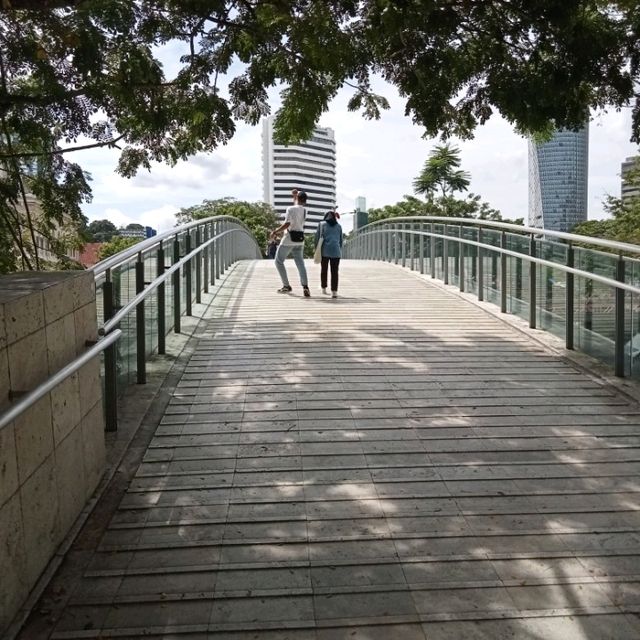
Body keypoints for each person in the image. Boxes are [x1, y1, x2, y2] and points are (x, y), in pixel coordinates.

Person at [271, 190, 310, 296]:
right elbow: (297, 209)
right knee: (300, 264)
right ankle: (305, 286)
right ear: (305, 201)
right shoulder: (305, 210)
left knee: (278, 261)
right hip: (300, 240)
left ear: (297, 198)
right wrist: (295, 196)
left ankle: (286, 286)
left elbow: (287, 223)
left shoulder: (290, 209)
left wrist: (275, 231)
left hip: (289, 239)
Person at [315, 209, 343, 298]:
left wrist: (317, 249)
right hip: (336, 251)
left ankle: (323, 288)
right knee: (335, 272)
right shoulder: (339, 226)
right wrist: (338, 249)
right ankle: (334, 292)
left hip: (324, 251)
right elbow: (341, 241)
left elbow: (317, 238)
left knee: (324, 270)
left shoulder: (321, 224)